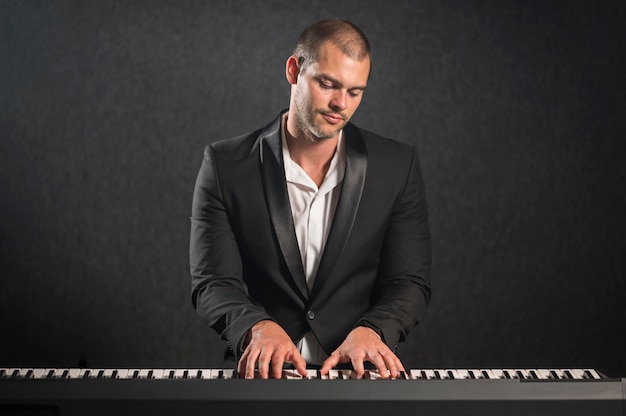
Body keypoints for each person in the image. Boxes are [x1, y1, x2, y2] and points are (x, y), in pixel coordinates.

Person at [189, 18, 431, 380]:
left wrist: (373, 331)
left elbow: (409, 281)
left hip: (362, 379)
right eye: (328, 84)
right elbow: (213, 282)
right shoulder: (225, 165)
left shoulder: (398, 166)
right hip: (261, 379)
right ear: (294, 70)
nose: (340, 104)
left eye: (355, 91)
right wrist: (256, 327)